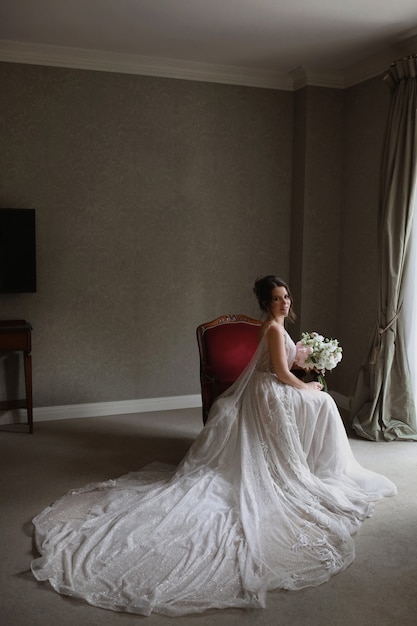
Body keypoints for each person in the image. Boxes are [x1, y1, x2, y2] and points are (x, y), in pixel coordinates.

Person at [31, 275, 396, 617]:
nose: (284, 303)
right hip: (271, 390)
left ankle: (318, 461)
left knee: (324, 404)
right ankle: (319, 464)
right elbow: (282, 374)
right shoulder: (271, 327)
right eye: (276, 299)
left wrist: (306, 367)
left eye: (286, 297)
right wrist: (309, 386)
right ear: (265, 303)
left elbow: (286, 366)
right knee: (325, 402)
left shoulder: (278, 325)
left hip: (272, 387)